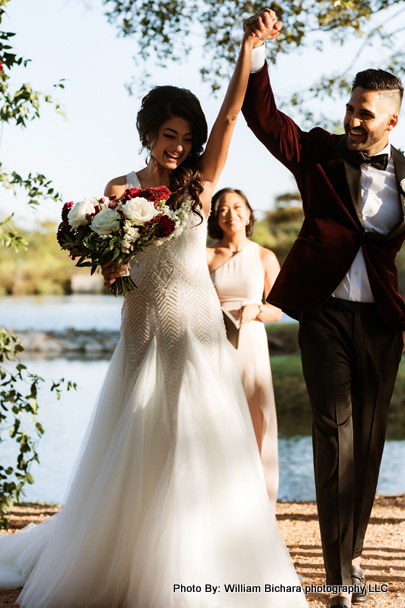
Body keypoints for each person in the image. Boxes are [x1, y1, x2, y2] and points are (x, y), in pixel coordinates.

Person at [0, 18, 309, 608]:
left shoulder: (198, 189)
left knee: (196, 441)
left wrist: (246, 54)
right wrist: (114, 267)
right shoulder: (118, 191)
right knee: (138, 440)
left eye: (186, 138)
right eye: (170, 134)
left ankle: (200, 564)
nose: (179, 146)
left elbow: (226, 121)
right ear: (148, 132)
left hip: (195, 330)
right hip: (142, 329)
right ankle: (128, 558)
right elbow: (114, 271)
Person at [242, 8, 405, 608]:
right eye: (351, 107)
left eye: (366, 112)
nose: (354, 118)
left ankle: (355, 555)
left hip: (384, 325)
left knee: (368, 447)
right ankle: (339, 576)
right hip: (325, 316)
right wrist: (256, 52)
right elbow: (264, 118)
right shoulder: (316, 153)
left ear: (391, 118)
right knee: (335, 438)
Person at [207, 187, 282, 507]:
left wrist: (257, 309)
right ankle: (219, 498)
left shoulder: (265, 256)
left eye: (237, 207)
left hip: (251, 342)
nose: (230, 213)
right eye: (222, 208)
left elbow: (279, 308)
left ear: (249, 214)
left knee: (257, 414)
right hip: (213, 343)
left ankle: (259, 502)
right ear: (215, 216)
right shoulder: (205, 255)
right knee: (215, 417)